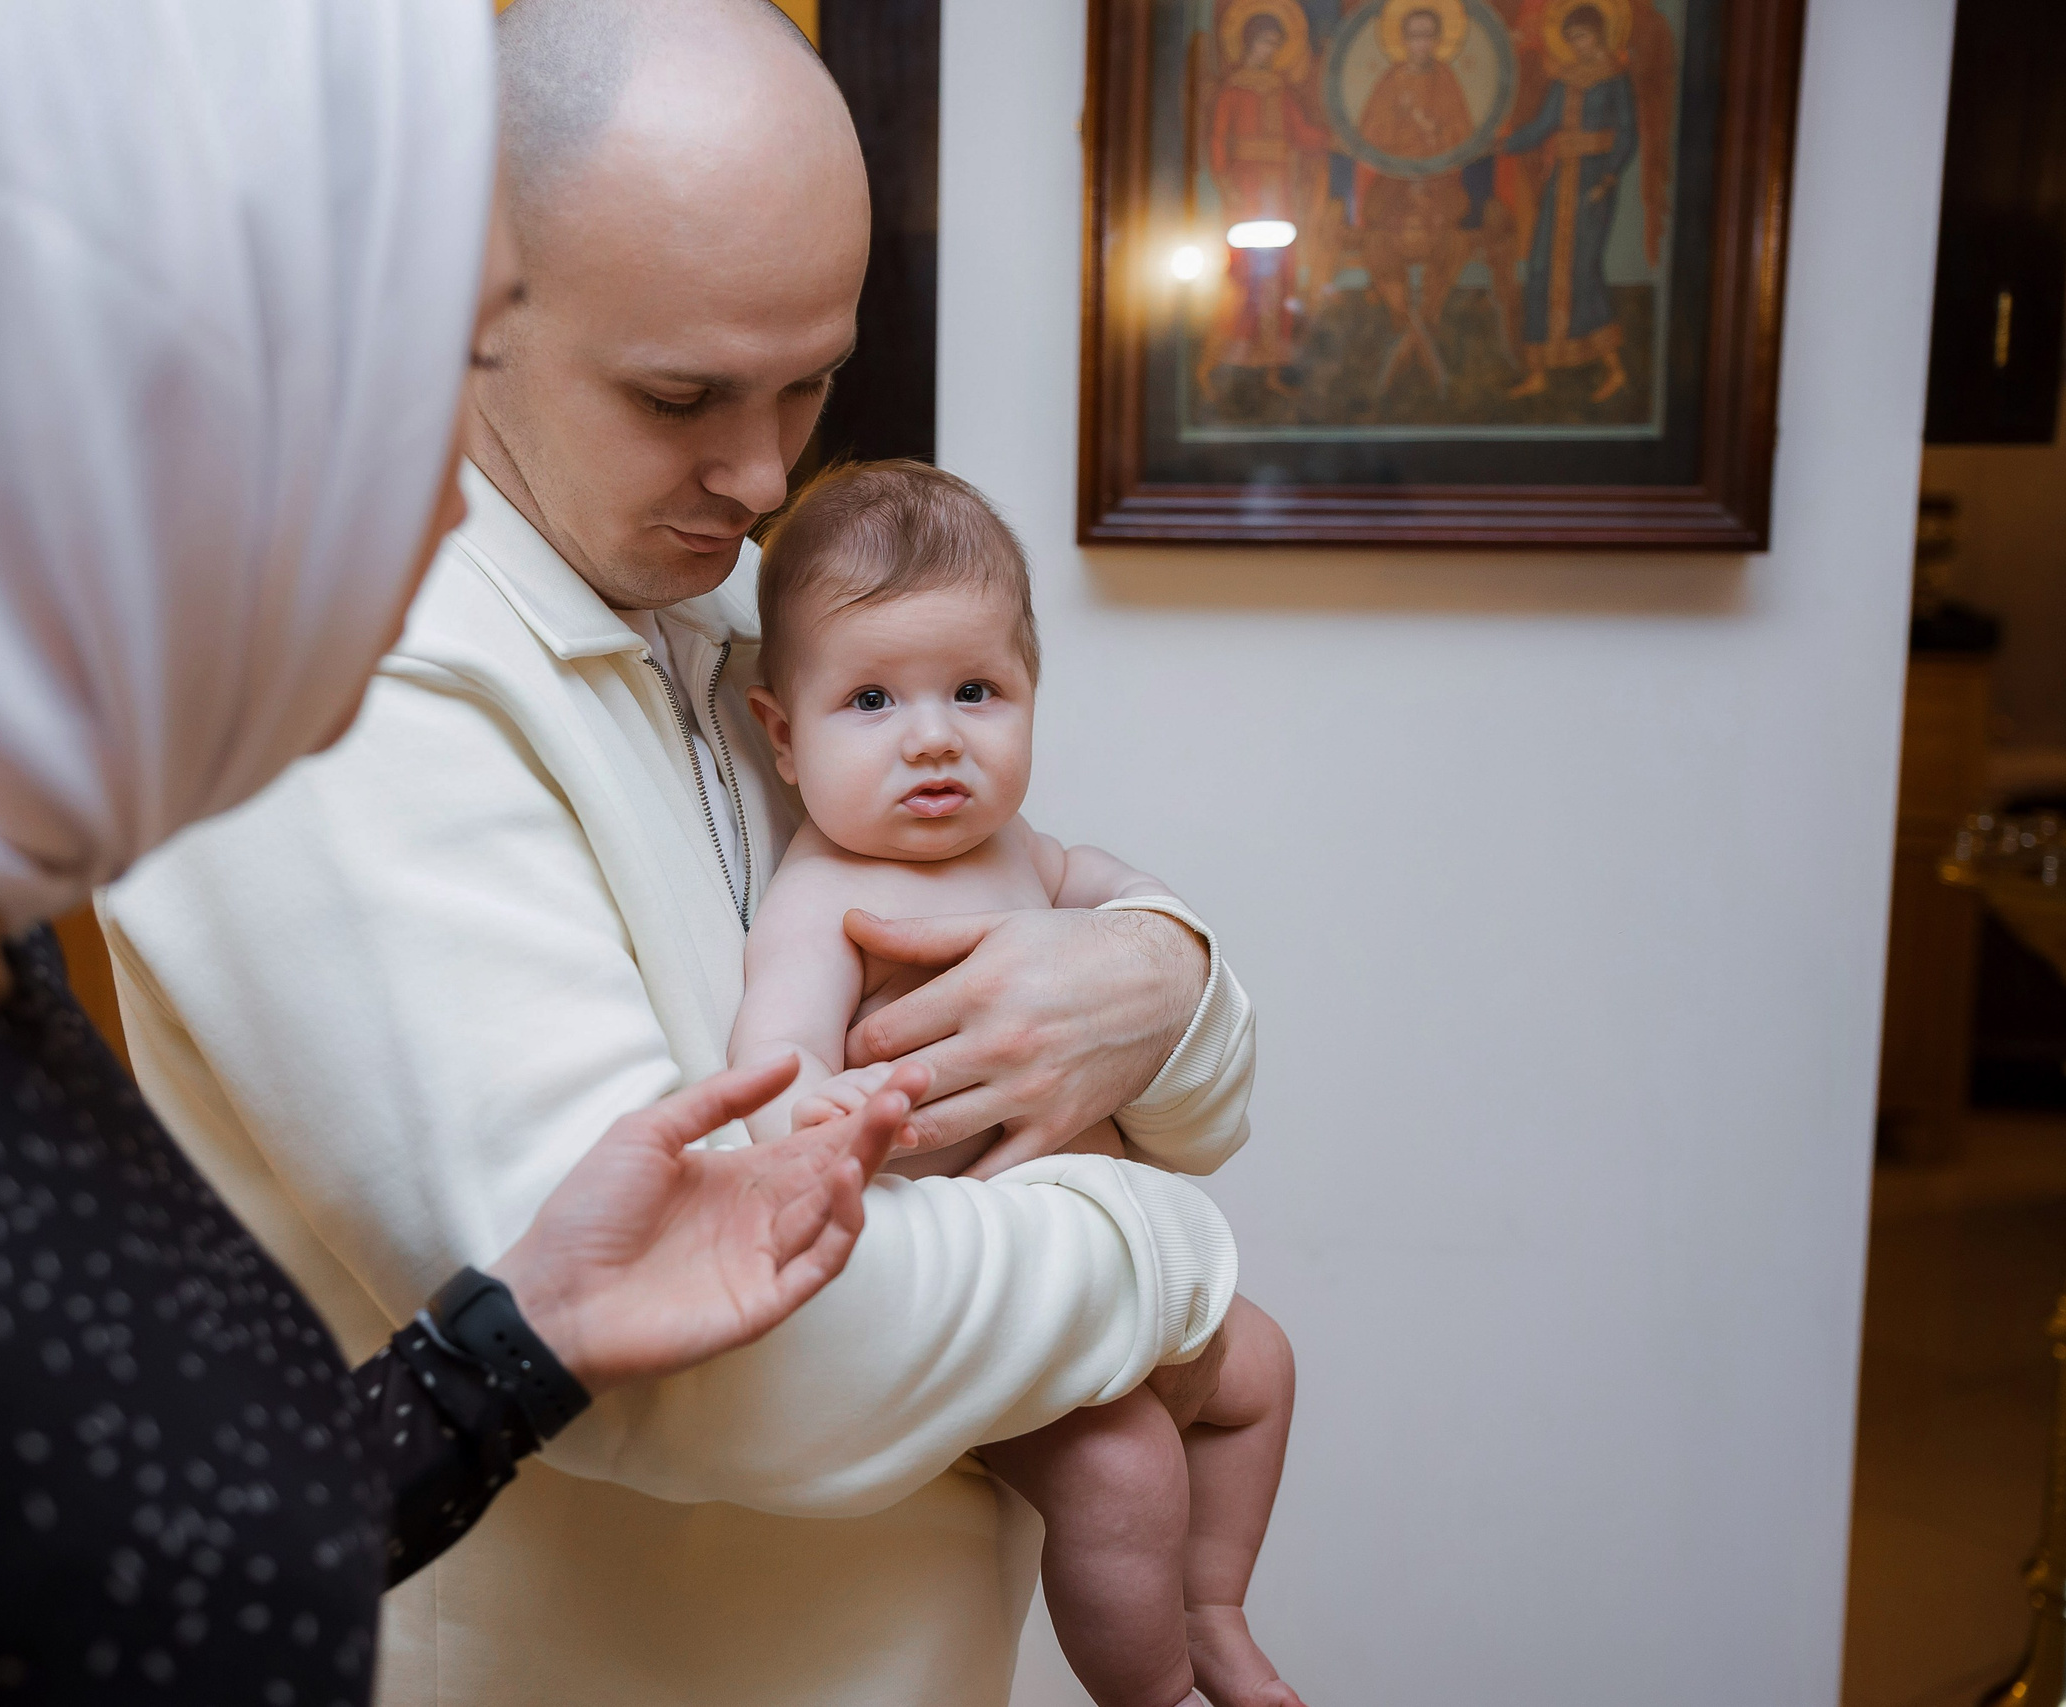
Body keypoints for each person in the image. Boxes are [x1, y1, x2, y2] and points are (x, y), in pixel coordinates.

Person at [0, 2, 920, 1701]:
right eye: (412, 376)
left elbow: (88, 1564)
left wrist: (514, 1345)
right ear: (122, 399)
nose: (442, 497)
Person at [99, 0, 1261, 1701]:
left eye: (811, 382)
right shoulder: (328, 680)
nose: (764, 473)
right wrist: (1168, 1258)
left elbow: (1167, 1055)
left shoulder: (713, 598)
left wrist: (1161, 972)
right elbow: (691, 1350)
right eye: (680, 394)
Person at [727, 461, 1302, 1707]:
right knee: (1124, 1471)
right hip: (995, 1295)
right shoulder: (827, 895)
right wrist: (810, 1110)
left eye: (976, 691)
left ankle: (1215, 1608)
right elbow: (776, 1047)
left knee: (1262, 1376)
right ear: (782, 734)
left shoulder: (1033, 855)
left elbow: (1153, 930)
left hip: (1131, 1266)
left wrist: (1157, 939)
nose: (933, 736)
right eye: (872, 699)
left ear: (1031, 696)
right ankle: (1149, 1692)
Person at [1499, 4, 1640, 402]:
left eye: (1584, 36)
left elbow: (1627, 132)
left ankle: (1614, 369)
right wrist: (1503, 144)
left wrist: (1609, 176)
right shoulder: (1563, 80)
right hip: (1561, 183)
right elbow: (1544, 126)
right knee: (1542, 266)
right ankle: (1538, 371)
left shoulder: (1615, 79)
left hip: (1593, 184)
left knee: (1584, 268)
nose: (1578, 45)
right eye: (1572, 38)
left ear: (1600, 36)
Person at [1195, 8, 1331, 397]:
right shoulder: (1233, 89)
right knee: (1245, 272)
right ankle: (1227, 358)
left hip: (1279, 190)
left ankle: (1273, 363)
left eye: (1276, 44)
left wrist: (1333, 139)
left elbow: (1301, 133)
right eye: (1265, 42)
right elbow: (1220, 140)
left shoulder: (1280, 89)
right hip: (1246, 187)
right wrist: (1227, 184)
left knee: (1281, 273)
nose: (1270, 50)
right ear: (1249, 42)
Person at [1355, 5, 1479, 393]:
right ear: (1403, 40)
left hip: (1439, 180)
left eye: (1428, 35)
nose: (1420, 43)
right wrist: (1399, 121)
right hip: (1393, 179)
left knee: (1452, 228)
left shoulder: (1446, 79)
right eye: (1414, 35)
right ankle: (1404, 318)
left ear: (1438, 40)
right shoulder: (1391, 80)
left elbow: (1464, 133)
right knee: (1376, 226)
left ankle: (1426, 316)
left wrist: (1431, 126)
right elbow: (1369, 133)